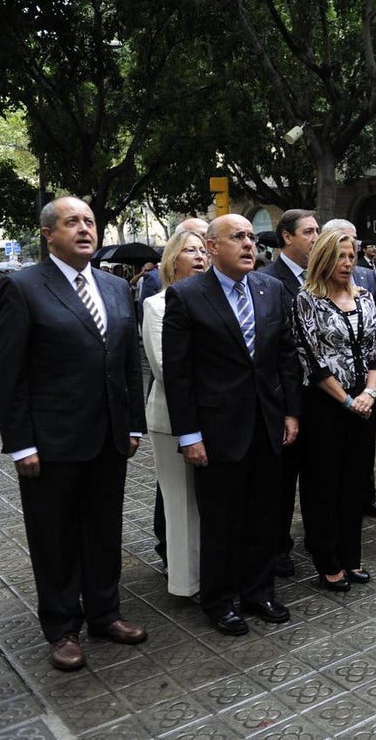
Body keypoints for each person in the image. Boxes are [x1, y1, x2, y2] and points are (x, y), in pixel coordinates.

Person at [0, 196, 148, 671]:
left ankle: (105, 613)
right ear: (48, 234)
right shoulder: (23, 287)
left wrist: (133, 423)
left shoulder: (115, 288)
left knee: (104, 528)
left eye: (90, 222)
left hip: (107, 439)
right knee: (55, 537)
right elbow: (8, 374)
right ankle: (62, 628)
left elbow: (127, 363)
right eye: (72, 222)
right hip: (51, 442)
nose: (85, 229)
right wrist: (21, 443)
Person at [163, 214, 301, 636]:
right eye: (237, 237)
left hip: (268, 423)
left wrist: (291, 412)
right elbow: (178, 374)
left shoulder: (270, 288)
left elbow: (286, 357)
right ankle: (219, 599)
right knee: (222, 520)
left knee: (264, 514)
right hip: (217, 430)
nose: (248, 244)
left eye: (250, 237)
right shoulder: (186, 296)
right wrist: (189, 435)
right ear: (211, 247)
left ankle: (258, 592)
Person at [293, 230, 376, 592]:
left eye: (352, 256)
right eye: (340, 256)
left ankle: (351, 557)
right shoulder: (306, 300)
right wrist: (347, 400)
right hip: (326, 406)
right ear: (324, 259)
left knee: (354, 483)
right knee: (323, 484)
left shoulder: (365, 297)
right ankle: (327, 561)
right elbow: (311, 359)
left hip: (365, 404)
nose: (348, 263)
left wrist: (371, 393)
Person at [141, 229, 207, 598]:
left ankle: (211, 574)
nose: (199, 256)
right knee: (180, 506)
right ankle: (184, 583)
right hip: (172, 421)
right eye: (189, 251)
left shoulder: (212, 301)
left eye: (203, 250)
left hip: (215, 418)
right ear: (172, 260)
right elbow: (167, 369)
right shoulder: (157, 305)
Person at [259, 208, 323, 579]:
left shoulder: (324, 278)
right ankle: (277, 545)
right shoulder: (267, 281)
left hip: (322, 397)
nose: (316, 237)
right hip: (284, 400)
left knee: (318, 476)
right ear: (287, 237)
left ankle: (317, 538)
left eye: (318, 231)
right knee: (281, 483)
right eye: (309, 231)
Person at [320, 217, 376, 519]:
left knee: (363, 452)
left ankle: (367, 495)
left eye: (354, 248)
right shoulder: (308, 294)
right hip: (329, 392)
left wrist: (372, 389)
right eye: (342, 249)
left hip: (366, 387)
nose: (349, 258)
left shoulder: (366, 278)